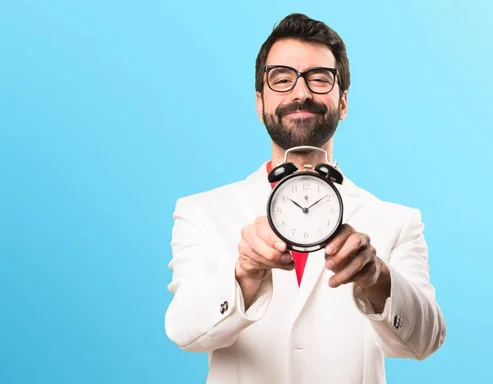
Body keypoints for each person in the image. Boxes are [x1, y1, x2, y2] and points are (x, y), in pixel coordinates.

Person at [165, 13, 446, 384]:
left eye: (319, 79)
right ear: (260, 103)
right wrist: (244, 273)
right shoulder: (201, 212)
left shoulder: (397, 222)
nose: (301, 93)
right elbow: (183, 331)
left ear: (343, 102)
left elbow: (425, 342)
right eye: (282, 80)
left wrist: (377, 277)